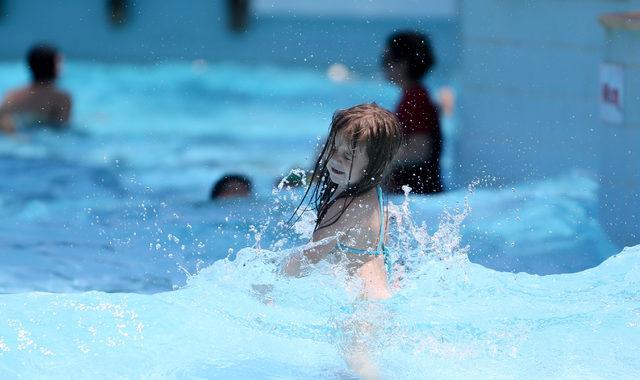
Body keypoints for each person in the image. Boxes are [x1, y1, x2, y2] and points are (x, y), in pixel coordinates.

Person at [282, 103, 402, 299]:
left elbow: (309, 257)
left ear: (374, 164)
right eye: (333, 148)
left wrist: (270, 281)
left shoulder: (345, 207)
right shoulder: (374, 197)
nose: (336, 159)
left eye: (347, 156)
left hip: (362, 307)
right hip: (377, 296)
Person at [382, 31, 444, 194]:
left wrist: (372, 161)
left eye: (386, 59)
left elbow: (420, 151)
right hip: (417, 193)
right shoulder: (414, 96)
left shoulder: (416, 99)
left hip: (417, 194)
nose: (382, 65)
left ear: (402, 63)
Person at [0, 43, 72, 134]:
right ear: (54, 67)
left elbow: (2, 119)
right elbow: (63, 129)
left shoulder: (12, 94)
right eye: (60, 63)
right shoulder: (62, 98)